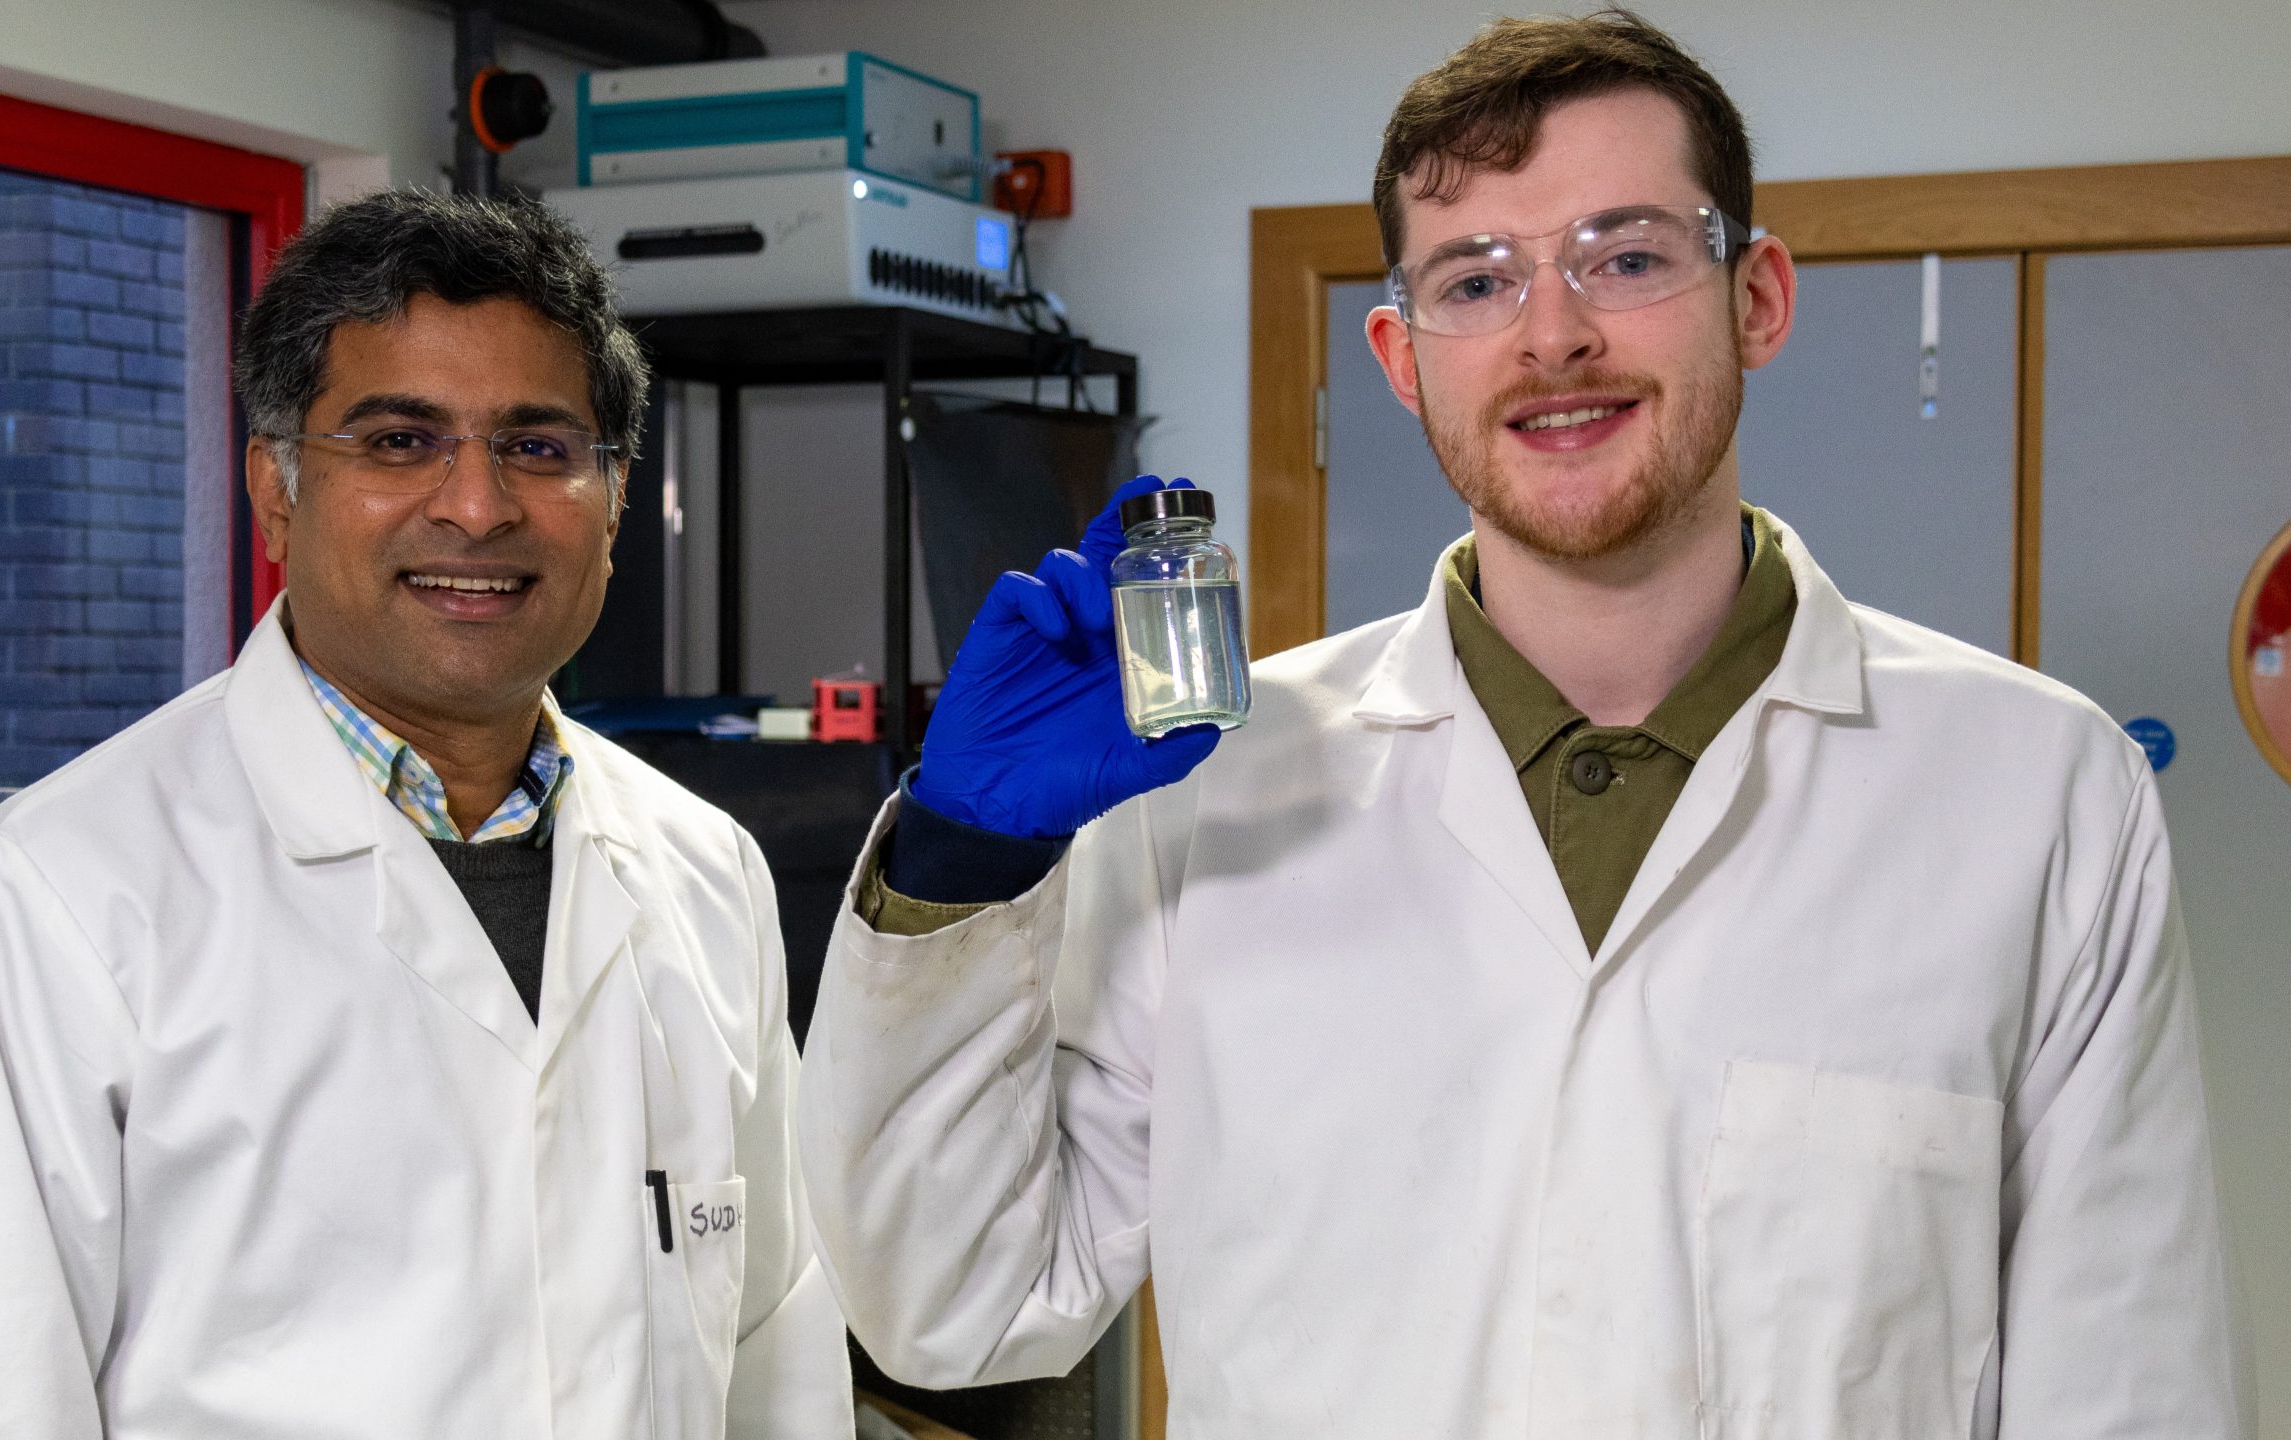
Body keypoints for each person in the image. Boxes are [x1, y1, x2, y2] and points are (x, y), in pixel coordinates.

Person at [796, 12, 2248, 1437]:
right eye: (1475, 282)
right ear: (1398, 354)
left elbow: (2131, 1386)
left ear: (1758, 299)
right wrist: (963, 859)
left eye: (1625, 256)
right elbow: (954, 1303)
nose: (1554, 334)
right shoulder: (1216, 793)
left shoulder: (2038, 793)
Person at [0, 193, 849, 1438]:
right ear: (273, 491)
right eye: (397, 442)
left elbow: (774, 1352)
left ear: (615, 495)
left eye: (539, 448)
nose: (476, 508)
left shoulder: (708, 873)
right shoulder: (49, 904)